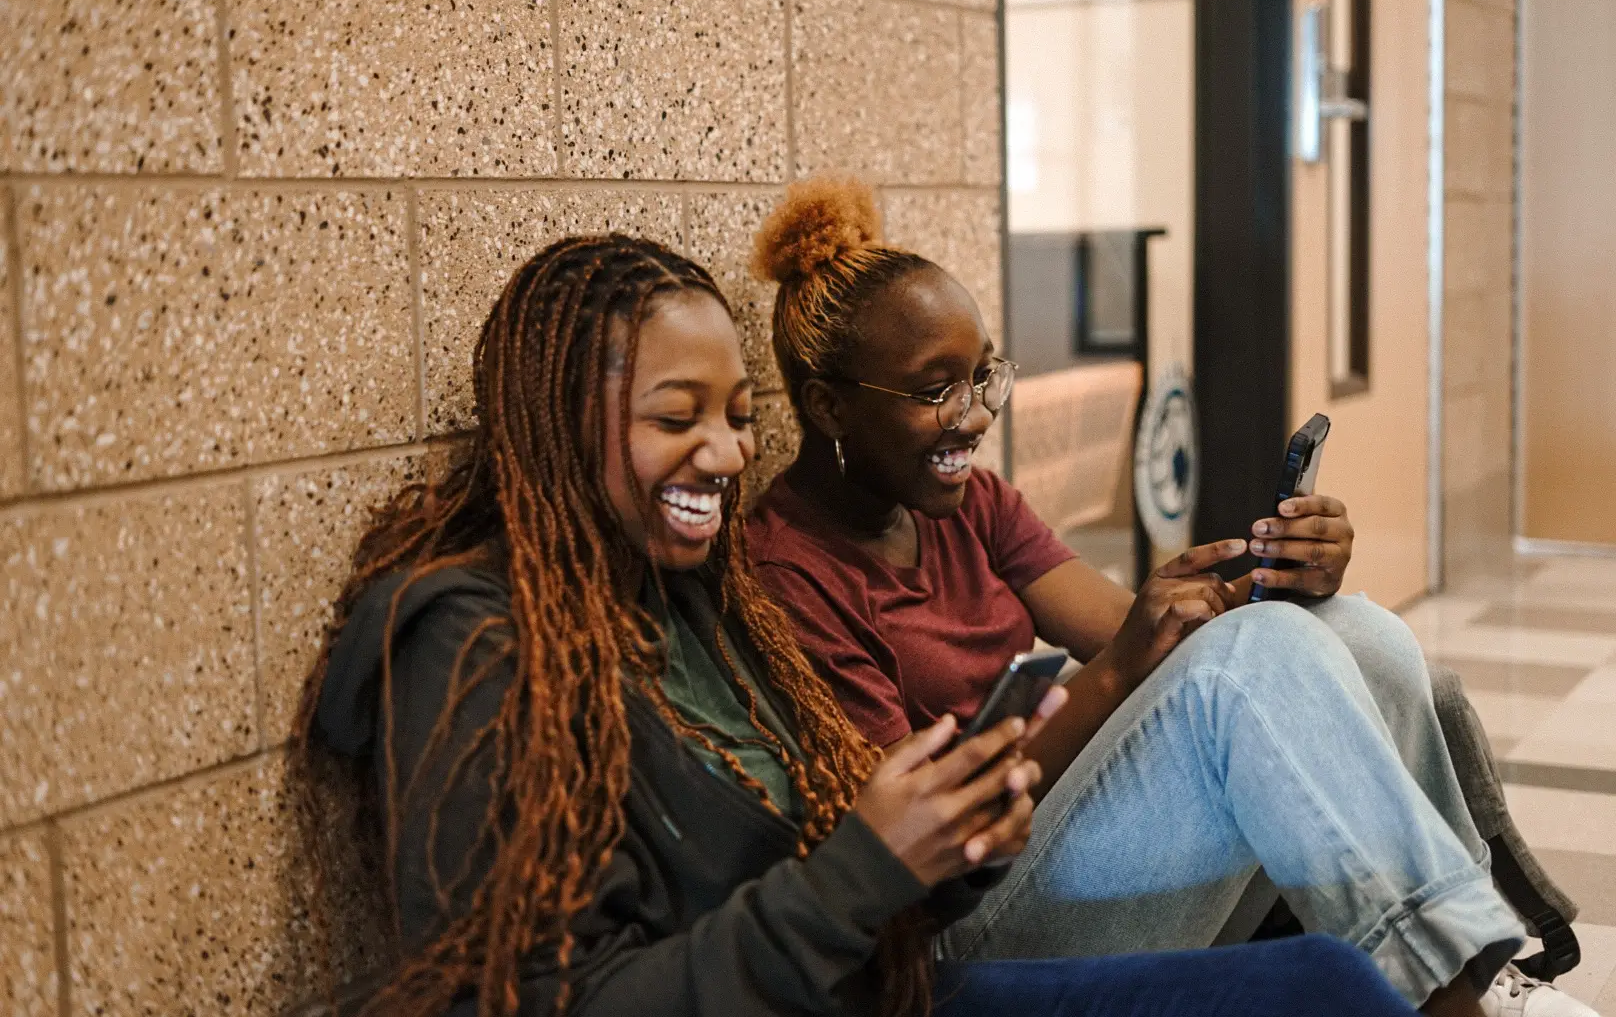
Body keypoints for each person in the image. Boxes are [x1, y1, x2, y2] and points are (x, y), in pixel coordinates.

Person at [291, 234, 1426, 1017]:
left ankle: (1469, 956)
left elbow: (858, 871)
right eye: (674, 418)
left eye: (738, 417)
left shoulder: (698, 597)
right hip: (861, 982)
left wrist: (960, 825)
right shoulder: (471, 650)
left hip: (882, 975)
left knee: (1325, 967)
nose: (730, 454)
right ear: (553, 425)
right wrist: (865, 870)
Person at [743, 177, 1593, 1017]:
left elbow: (1154, 646)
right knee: (1254, 660)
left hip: (1058, 845)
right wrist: (1116, 672)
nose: (975, 417)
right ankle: (1448, 998)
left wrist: (1291, 579)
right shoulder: (790, 578)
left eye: (982, 377)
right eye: (937, 392)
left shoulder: (971, 507)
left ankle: (1472, 972)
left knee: (1356, 631)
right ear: (828, 408)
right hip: (961, 927)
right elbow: (924, 830)